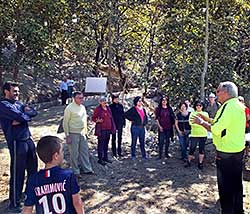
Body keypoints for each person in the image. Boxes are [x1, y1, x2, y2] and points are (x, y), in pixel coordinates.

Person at [192, 81, 245, 213]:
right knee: (237, 183)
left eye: (218, 91)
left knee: (225, 186)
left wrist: (202, 122)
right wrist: (209, 120)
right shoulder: (238, 105)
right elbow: (222, 123)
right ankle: (238, 210)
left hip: (226, 153)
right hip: (237, 150)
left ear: (226, 93)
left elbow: (216, 130)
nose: (216, 94)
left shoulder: (228, 107)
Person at [0, 82, 38, 213]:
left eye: (17, 91)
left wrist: (24, 117)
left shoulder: (19, 104)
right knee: (18, 173)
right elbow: (19, 116)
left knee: (33, 170)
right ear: (6, 91)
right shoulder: (3, 105)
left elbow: (34, 112)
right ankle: (14, 202)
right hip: (17, 143)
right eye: (14, 91)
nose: (17, 93)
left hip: (28, 140)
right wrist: (24, 116)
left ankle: (29, 194)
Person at [23, 136, 84, 214]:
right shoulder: (68, 175)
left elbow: (27, 208)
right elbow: (77, 203)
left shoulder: (33, 180)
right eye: (61, 151)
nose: (63, 154)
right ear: (55, 156)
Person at [63, 91, 94, 177]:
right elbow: (65, 122)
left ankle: (87, 169)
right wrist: (67, 135)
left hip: (82, 132)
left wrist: (85, 132)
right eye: (79, 98)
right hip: (73, 133)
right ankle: (76, 171)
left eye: (82, 98)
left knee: (84, 151)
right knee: (74, 153)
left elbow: (84, 120)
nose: (81, 99)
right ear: (74, 98)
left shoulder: (83, 107)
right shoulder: (69, 108)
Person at [92, 96, 116, 166]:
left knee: (106, 144)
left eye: (105, 100)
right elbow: (93, 118)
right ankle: (100, 159)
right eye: (103, 101)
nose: (104, 102)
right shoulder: (98, 109)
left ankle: (105, 157)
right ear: (100, 102)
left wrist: (113, 127)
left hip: (108, 128)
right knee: (101, 144)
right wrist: (98, 120)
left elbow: (111, 117)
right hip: (101, 129)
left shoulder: (108, 108)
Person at [185, 101, 208, 169]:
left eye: (200, 105)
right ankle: (188, 161)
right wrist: (201, 124)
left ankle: (200, 163)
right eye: (197, 105)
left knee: (202, 149)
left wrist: (199, 123)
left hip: (203, 134)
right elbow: (191, 123)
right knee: (192, 148)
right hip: (194, 134)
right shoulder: (192, 113)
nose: (198, 106)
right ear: (195, 106)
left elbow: (206, 123)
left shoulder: (205, 114)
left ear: (202, 106)